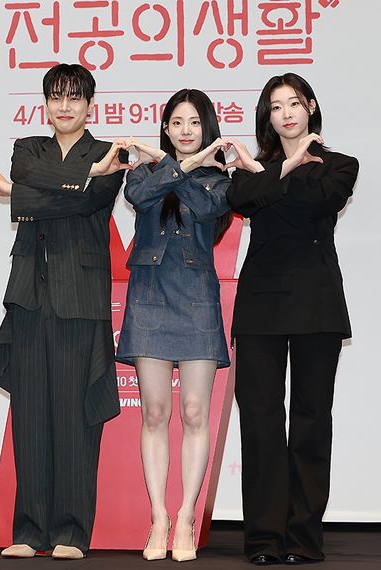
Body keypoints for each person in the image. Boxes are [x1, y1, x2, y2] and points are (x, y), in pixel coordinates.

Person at [0, 63, 129, 560]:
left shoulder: (110, 153)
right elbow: (28, 177)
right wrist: (79, 179)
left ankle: (70, 532)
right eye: (56, 97)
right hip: (28, 294)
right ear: (45, 104)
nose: (64, 106)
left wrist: (21, 195)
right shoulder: (28, 148)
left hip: (79, 296)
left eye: (74, 98)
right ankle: (29, 531)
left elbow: (80, 204)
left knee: (74, 415)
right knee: (30, 415)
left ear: (90, 105)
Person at [224, 73, 359, 566]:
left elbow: (314, 203)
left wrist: (277, 175)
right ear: (268, 116)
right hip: (260, 305)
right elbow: (240, 201)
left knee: (310, 421)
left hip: (315, 303)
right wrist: (276, 171)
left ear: (311, 108)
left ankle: (303, 538)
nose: (286, 113)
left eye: (294, 103)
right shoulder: (250, 169)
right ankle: (263, 539)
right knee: (260, 421)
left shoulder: (340, 165)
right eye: (276, 106)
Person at [116, 89, 233, 562]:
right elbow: (139, 197)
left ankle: (186, 517)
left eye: (195, 123)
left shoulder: (219, 179)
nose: (186, 131)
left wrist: (180, 166)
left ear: (207, 129)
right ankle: (159, 517)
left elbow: (206, 210)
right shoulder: (144, 172)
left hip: (196, 297)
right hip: (149, 295)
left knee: (195, 411)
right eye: (178, 122)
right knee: (155, 412)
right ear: (165, 128)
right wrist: (174, 165)